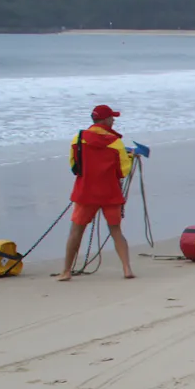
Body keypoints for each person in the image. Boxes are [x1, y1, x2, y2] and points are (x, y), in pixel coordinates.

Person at [59, 104, 136, 281]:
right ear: (104, 120)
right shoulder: (116, 143)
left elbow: (74, 167)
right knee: (116, 231)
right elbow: (122, 171)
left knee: (76, 231)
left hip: (85, 193)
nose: (114, 120)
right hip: (110, 193)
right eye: (112, 118)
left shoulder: (77, 139)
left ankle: (66, 271)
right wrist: (130, 157)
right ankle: (126, 268)